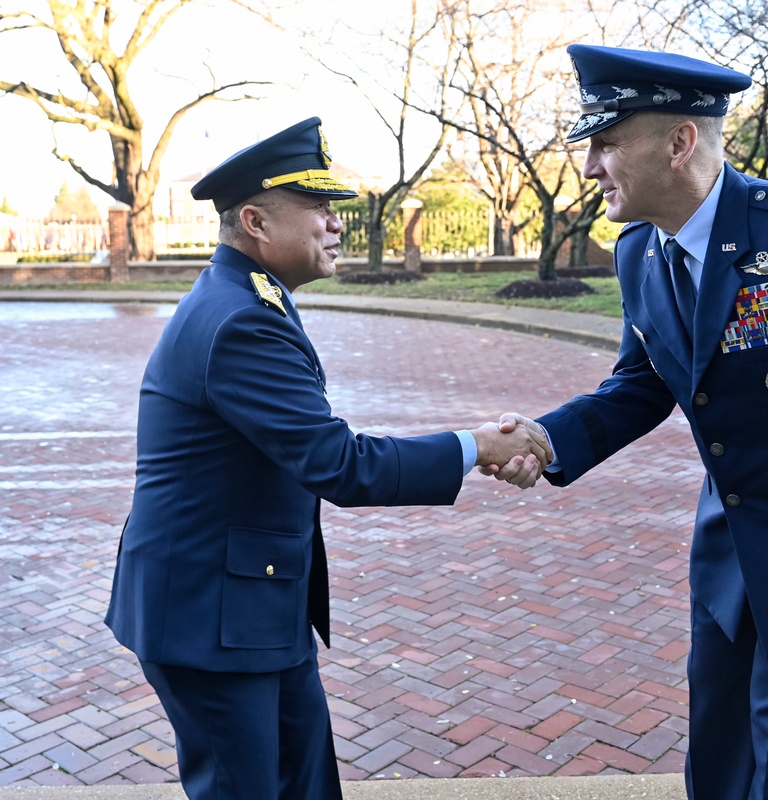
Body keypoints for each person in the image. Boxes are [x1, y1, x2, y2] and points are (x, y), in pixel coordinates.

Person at [487, 45, 768, 800]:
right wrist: (547, 438)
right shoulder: (639, 250)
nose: (589, 166)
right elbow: (641, 383)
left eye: (606, 143)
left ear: (678, 144)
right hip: (728, 567)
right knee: (719, 770)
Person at [104, 116, 550, 800]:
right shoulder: (241, 318)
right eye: (317, 208)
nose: (335, 223)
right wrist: (478, 447)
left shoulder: (252, 297)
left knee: (305, 786)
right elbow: (337, 463)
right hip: (207, 616)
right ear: (255, 221)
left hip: (249, 604)